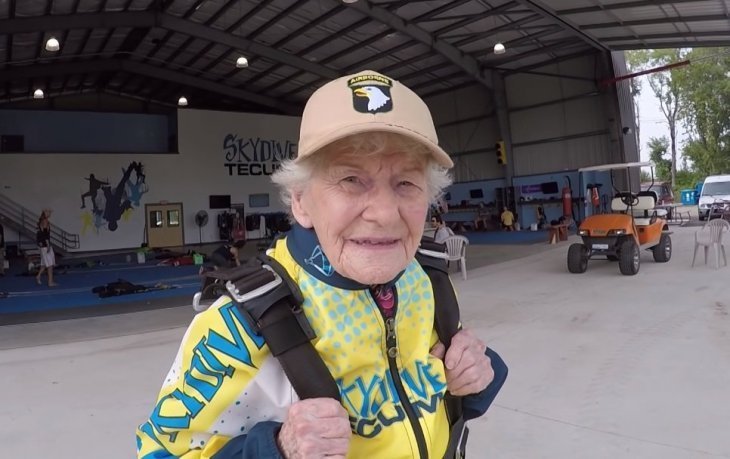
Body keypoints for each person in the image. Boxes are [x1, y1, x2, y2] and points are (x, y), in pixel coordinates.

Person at [136, 70, 507, 459]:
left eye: (406, 184)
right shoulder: (239, 326)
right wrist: (277, 450)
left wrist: (477, 376)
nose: (383, 213)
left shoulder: (426, 279)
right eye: (351, 179)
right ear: (300, 201)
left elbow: (442, 404)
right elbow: (159, 452)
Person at [35, 209, 57, 287]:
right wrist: (48, 245)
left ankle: (38, 276)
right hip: (45, 245)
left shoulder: (42, 221)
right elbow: (45, 234)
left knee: (44, 263)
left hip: (43, 246)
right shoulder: (45, 221)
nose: (50, 212)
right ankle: (50, 282)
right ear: (45, 214)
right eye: (48, 212)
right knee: (50, 265)